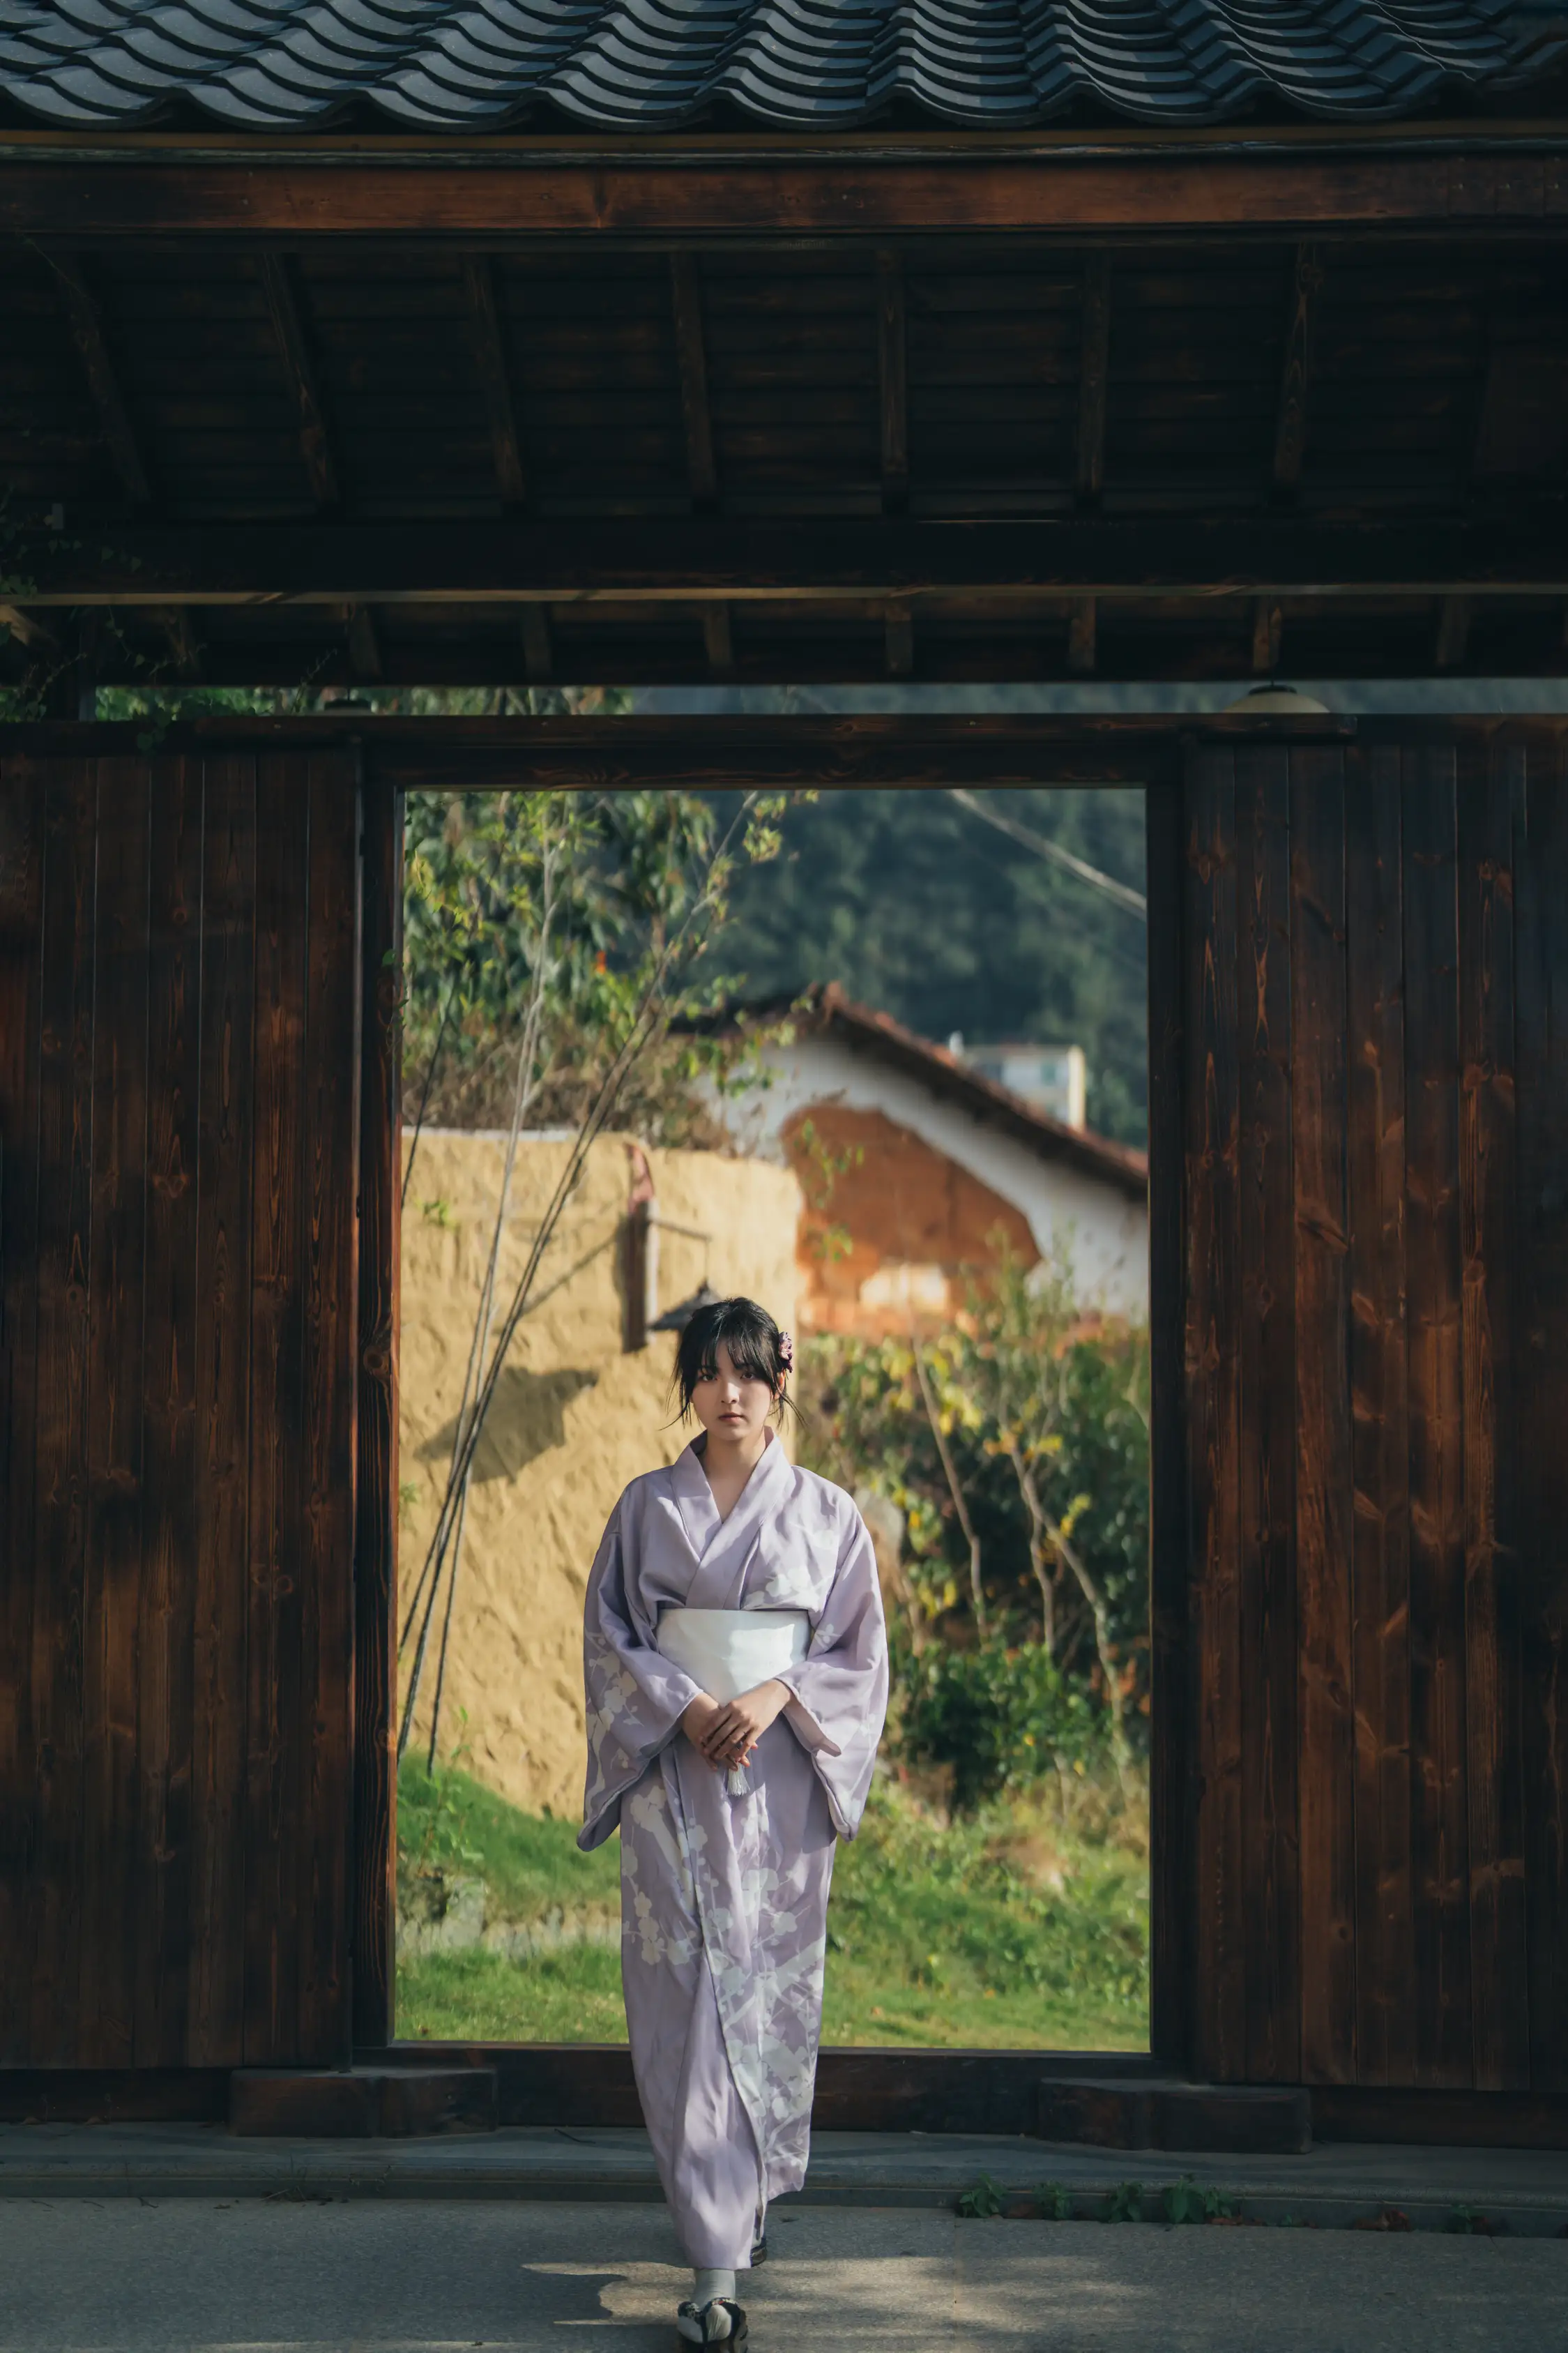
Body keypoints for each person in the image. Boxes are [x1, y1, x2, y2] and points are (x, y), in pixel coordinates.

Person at [579, 1295, 888, 2349]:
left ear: (780, 1381)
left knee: (757, 1992)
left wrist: (770, 1698)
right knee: (687, 2000)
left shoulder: (828, 1515)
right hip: (677, 1779)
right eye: (710, 1373)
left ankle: (731, 2227)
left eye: (749, 1373)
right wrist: (687, 1702)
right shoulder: (645, 1510)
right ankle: (715, 2251)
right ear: (688, 1387)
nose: (730, 1393)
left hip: (778, 1783)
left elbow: (857, 1655)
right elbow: (615, 1635)